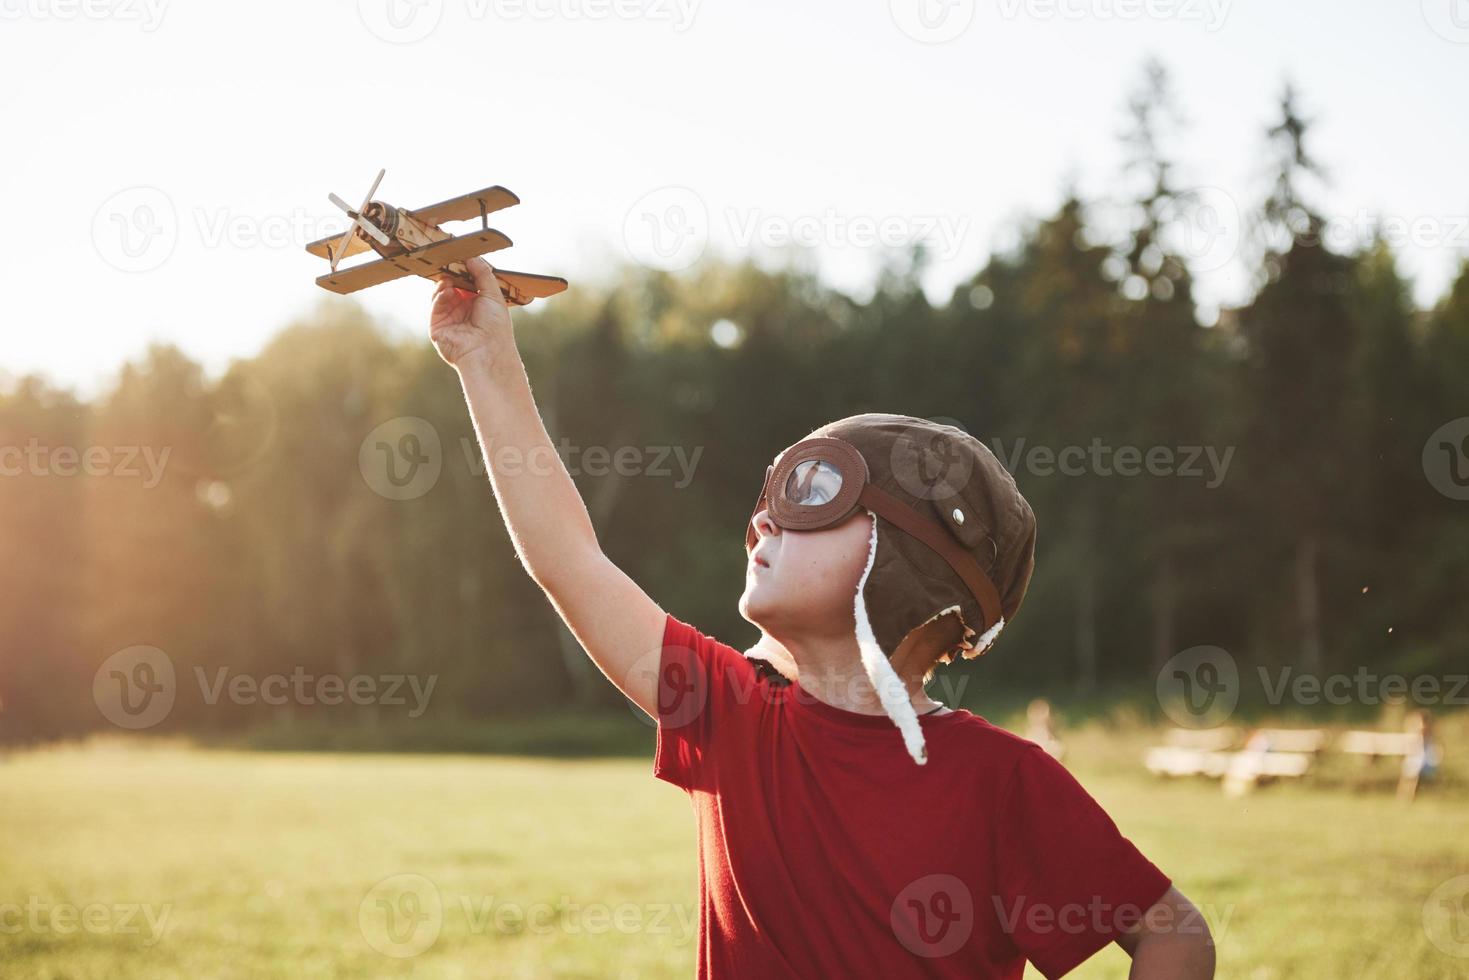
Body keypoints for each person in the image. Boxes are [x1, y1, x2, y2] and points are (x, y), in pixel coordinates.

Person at [429, 258, 1216, 979]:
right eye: (768, 498)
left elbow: (1173, 935)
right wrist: (485, 358)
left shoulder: (1002, 781)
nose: (762, 524)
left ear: (912, 561)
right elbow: (568, 560)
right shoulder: (731, 714)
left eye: (809, 494)